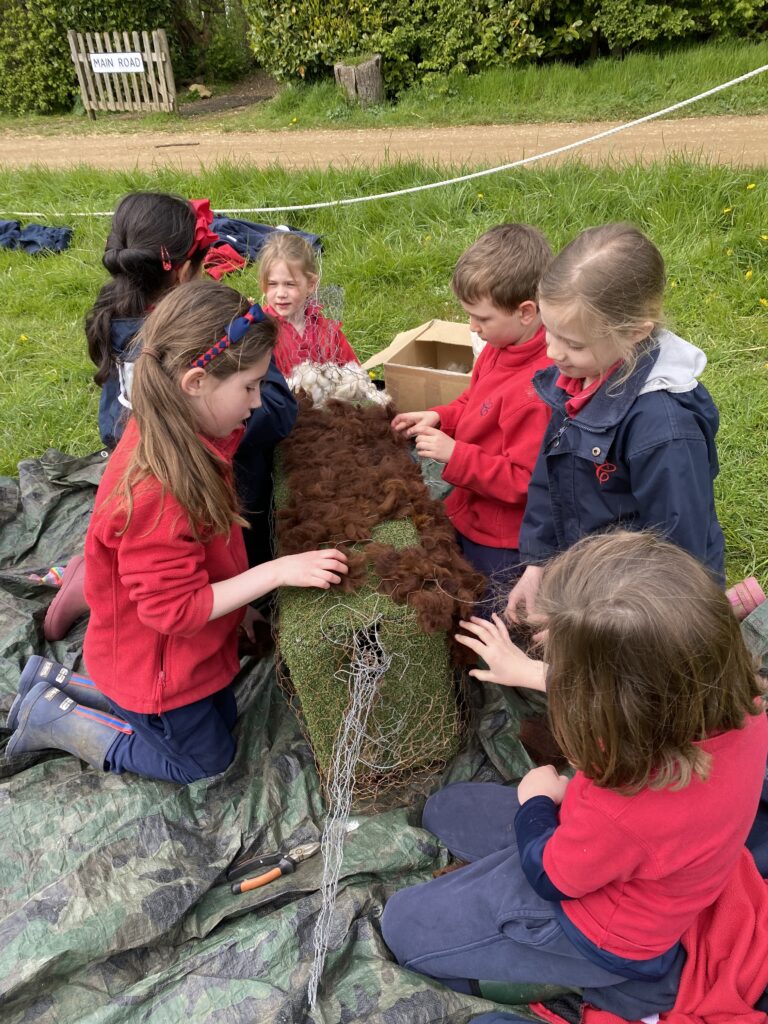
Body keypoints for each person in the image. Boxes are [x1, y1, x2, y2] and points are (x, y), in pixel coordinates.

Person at [381, 531, 768, 1011]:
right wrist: (526, 673)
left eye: (562, 660)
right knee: (446, 809)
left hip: (601, 926)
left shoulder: (629, 806)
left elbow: (554, 878)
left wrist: (539, 803)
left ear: (614, 703)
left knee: (402, 926)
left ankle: (616, 979)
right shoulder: (738, 711)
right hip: (616, 839)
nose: (543, 649)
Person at [7, 281, 347, 783]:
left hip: (178, 656)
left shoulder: (193, 433)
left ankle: (54, 681)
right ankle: (54, 718)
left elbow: (201, 561)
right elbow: (175, 611)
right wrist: (275, 573)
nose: (257, 403)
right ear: (195, 382)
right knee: (205, 761)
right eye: (249, 387)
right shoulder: (156, 495)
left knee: (221, 718)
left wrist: (240, 605)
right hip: (156, 670)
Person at [44, 193, 297, 639]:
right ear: (185, 272)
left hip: (135, 461)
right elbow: (271, 417)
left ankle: (97, 575)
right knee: (233, 537)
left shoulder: (115, 318)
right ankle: (243, 606)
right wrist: (268, 378)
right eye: (248, 388)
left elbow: (113, 418)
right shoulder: (202, 345)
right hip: (209, 476)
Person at [506, 223, 725, 624]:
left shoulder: (664, 431)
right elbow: (548, 477)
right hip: (589, 582)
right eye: (548, 333)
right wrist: (537, 564)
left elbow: (679, 564)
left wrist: (588, 630)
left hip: (646, 614)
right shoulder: (580, 378)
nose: (553, 352)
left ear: (634, 333)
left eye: (573, 343)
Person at [391, 224, 553, 610]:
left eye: (481, 318)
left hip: (501, 538)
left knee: (490, 609)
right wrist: (439, 416)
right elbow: (473, 402)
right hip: (471, 508)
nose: (472, 327)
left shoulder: (536, 393)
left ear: (526, 312)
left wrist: (455, 454)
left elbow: (524, 481)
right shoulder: (501, 346)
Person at [259, 232, 359, 376]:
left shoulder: (328, 332)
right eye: (273, 284)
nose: (281, 294)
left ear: (311, 284)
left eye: (290, 284)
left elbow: (354, 374)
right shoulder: (260, 333)